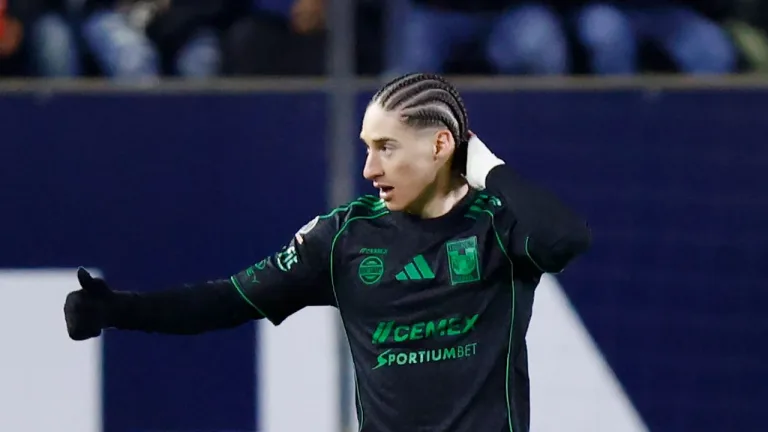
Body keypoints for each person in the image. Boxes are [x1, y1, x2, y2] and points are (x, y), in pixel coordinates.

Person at [64, 73, 592, 432]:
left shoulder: (497, 224)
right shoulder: (343, 238)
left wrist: (488, 168)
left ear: (439, 145)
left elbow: (564, 239)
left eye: (386, 148)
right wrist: (120, 309)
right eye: (367, 147)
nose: (369, 168)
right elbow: (228, 301)